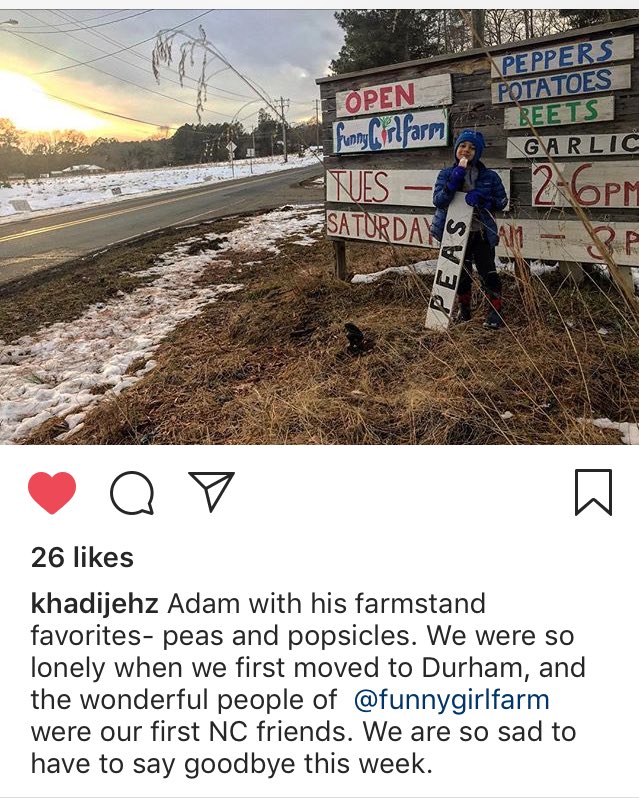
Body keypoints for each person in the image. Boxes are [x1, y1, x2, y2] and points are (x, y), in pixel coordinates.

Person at [431, 130, 508, 329]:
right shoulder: (446, 174)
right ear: (457, 149)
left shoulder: (489, 176)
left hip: (480, 232)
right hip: (454, 233)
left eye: (473, 148)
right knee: (461, 274)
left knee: (487, 272)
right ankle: (464, 309)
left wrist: (484, 200)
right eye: (463, 146)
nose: (467, 150)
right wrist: (454, 180)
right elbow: (439, 200)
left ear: (478, 153)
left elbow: (501, 202)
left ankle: (495, 310)